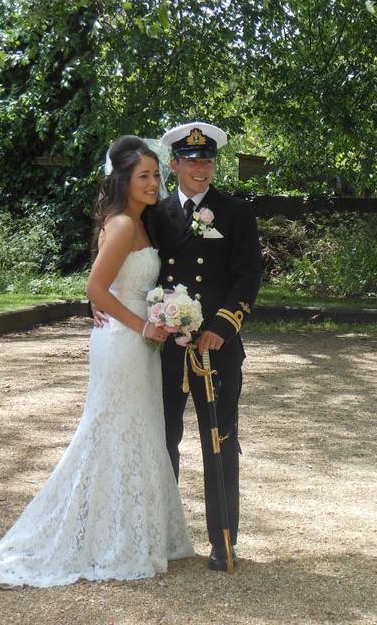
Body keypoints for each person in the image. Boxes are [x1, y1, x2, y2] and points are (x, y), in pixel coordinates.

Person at [0, 136, 193, 597]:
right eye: (145, 176)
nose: (154, 183)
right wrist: (144, 325)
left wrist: (160, 314)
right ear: (123, 180)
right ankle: (111, 540)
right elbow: (95, 290)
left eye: (157, 175)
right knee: (113, 432)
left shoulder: (139, 223)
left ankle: (131, 534)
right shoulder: (120, 225)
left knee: (138, 431)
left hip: (133, 342)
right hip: (123, 343)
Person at [147, 121, 263, 572]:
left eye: (208, 160)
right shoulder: (153, 215)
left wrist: (222, 325)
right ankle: (166, 538)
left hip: (217, 348)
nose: (201, 168)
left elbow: (248, 275)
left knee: (220, 441)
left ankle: (223, 540)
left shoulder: (235, 212)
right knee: (163, 441)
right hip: (166, 351)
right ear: (173, 164)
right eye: (192, 160)